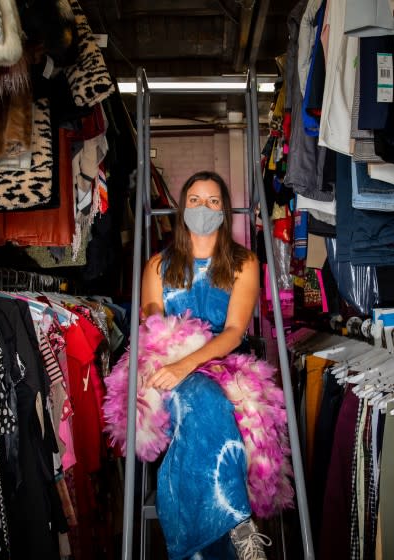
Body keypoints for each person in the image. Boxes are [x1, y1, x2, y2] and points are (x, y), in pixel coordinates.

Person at [140, 171, 271, 559]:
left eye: (213, 201)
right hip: (168, 367)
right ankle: (236, 523)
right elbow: (153, 328)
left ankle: (208, 539)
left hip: (224, 365)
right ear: (183, 209)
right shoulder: (157, 266)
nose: (203, 208)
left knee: (210, 398)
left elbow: (233, 332)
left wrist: (189, 365)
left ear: (224, 211)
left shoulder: (244, 263)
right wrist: (175, 366)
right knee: (202, 399)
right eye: (194, 200)